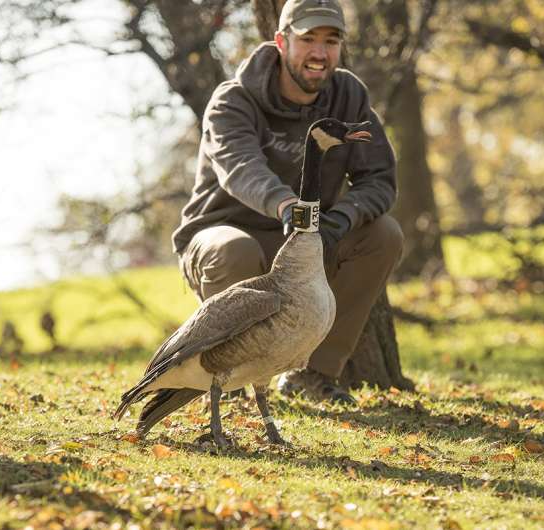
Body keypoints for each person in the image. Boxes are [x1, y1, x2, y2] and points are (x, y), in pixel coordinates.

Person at [171, 0, 403, 404]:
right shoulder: (234, 101)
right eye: (307, 39)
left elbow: (379, 180)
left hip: (305, 243)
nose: (319, 52)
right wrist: (288, 208)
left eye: (331, 41)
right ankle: (226, 381)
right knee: (234, 250)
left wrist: (341, 220)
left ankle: (313, 374)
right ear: (281, 41)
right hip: (227, 237)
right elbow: (240, 168)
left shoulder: (348, 96)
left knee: (383, 234)